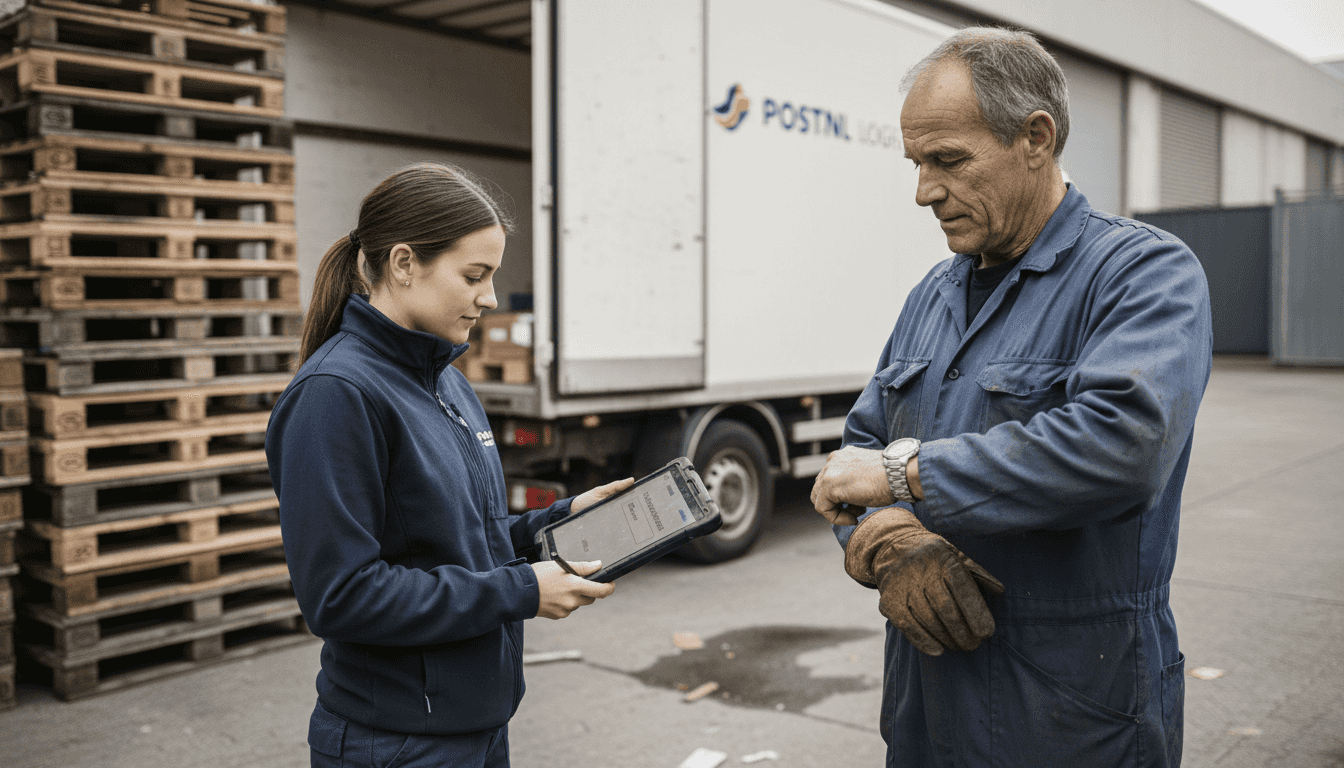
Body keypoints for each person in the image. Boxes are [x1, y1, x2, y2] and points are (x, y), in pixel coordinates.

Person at [810, 28, 1212, 767]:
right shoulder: (931, 295)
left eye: (948, 160)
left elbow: (1122, 448)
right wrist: (889, 542)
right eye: (917, 164)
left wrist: (906, 477)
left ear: (1035, 138)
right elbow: (854, 458)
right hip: (925, 704)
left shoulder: (1142, 274)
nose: (925, 190)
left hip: (1073, 708)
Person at [265, 162, 631, 768]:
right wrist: (521, 590)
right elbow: (341, 596)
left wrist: (562, 521)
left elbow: (464, 544)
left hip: (476, 725)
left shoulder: (447, 383)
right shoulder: (335, 395)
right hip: (399, 741)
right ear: (405, 264)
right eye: (474, 275)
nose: (489, 297)